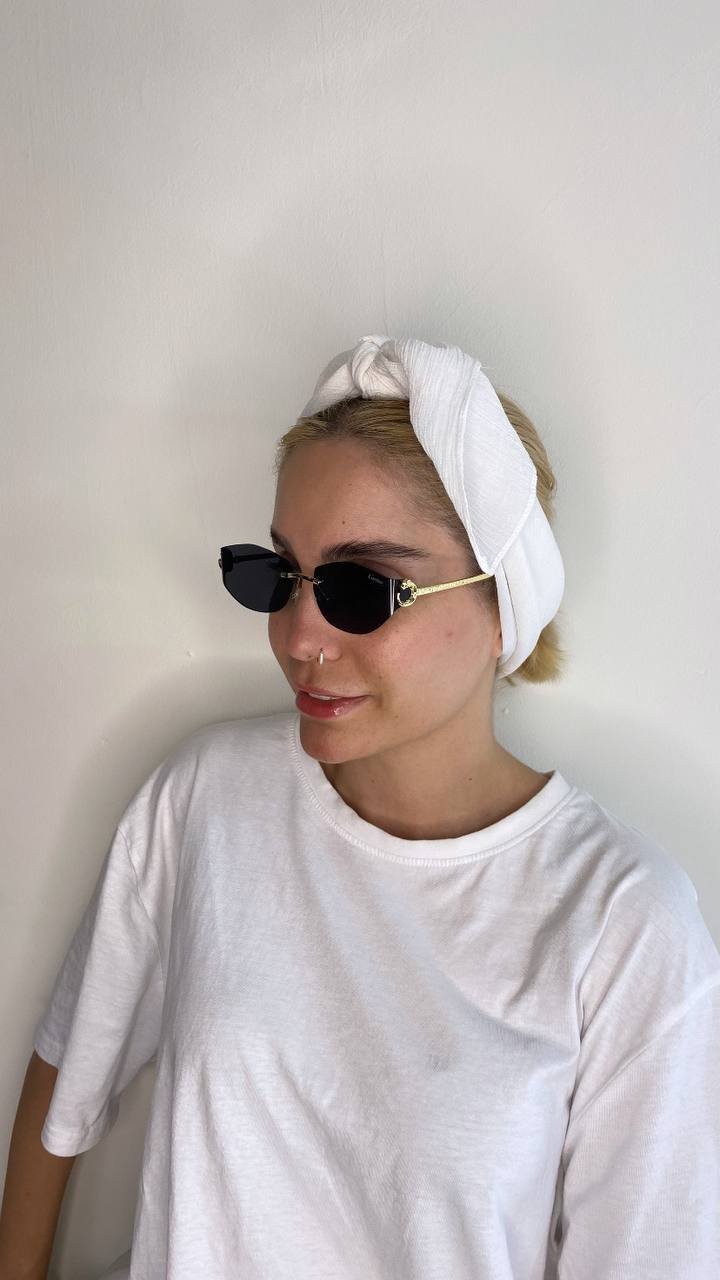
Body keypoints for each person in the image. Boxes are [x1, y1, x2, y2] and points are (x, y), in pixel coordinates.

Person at [2, 335, 719, 1280]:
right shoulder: (210, 797)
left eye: (362, 588)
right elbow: (69, 1064)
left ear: (502, 604)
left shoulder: (622, 926)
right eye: (276, 575)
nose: (300, 635)